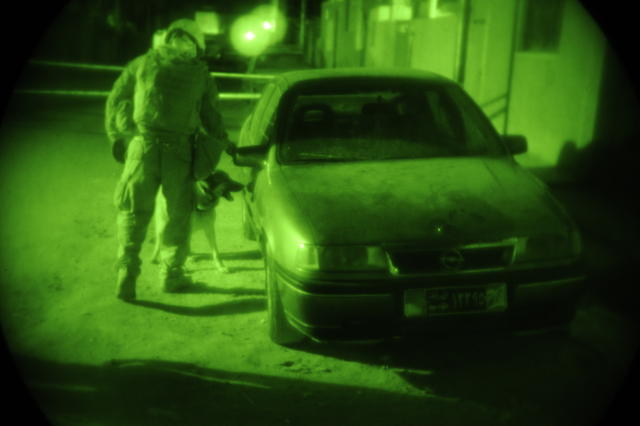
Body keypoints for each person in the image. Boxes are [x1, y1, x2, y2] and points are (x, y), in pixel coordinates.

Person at [105, 18, 229, 301]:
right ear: (196, 45)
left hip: (142, 147)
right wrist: (222, 140)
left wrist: (119, 134)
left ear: (167, 38)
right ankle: (172, 275)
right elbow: (212, 117)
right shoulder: (201, 75)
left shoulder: (142, 63)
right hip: (179, 153)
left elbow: (116, 98)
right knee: (177, 216)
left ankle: (126, 269)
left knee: (133, 211)